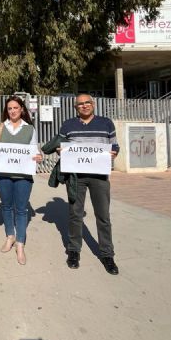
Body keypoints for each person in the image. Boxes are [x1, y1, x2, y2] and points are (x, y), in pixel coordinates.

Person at [58, 94, 120, 275]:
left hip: (99, 177)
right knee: (75, 215)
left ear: (93, 104)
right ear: (75, 107)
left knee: (103, 216)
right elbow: (59, 145)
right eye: (80, 104)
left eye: (87, 103)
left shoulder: (106, 123)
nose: (84, 106)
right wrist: (59, 150)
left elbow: (114, 146)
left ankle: (107, 254)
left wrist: (113, 153)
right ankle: (74, 251)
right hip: (76, 177)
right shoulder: (68, 125)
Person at [0, 95, 42, 265]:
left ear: (22, 109)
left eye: (15, 108)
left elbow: (35, 151)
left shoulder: (30, 129)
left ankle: (20, 244)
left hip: (23, 177)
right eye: (9, 108)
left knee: (21, 210)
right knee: (7, 206)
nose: (12, 111)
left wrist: (39, 157)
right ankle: (10, 236)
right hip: (3, 176)